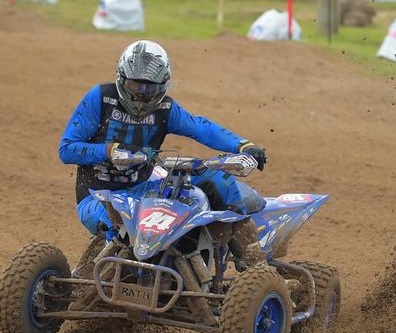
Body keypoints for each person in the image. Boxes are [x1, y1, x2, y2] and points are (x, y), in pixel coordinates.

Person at [59, 40, 266, 242]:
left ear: (163, 86)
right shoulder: (101, 98)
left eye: (150, 89)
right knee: (120, 225)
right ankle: (116, 263)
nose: (141, 95)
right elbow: (67, 149)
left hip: (140, 191)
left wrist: (242, 145)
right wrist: (109, 151)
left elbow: (201, 128)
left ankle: (248, 250)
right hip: (97, 197)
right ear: (121, 78)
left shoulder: (165, 109)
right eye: (135, 86)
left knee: (215, 180)